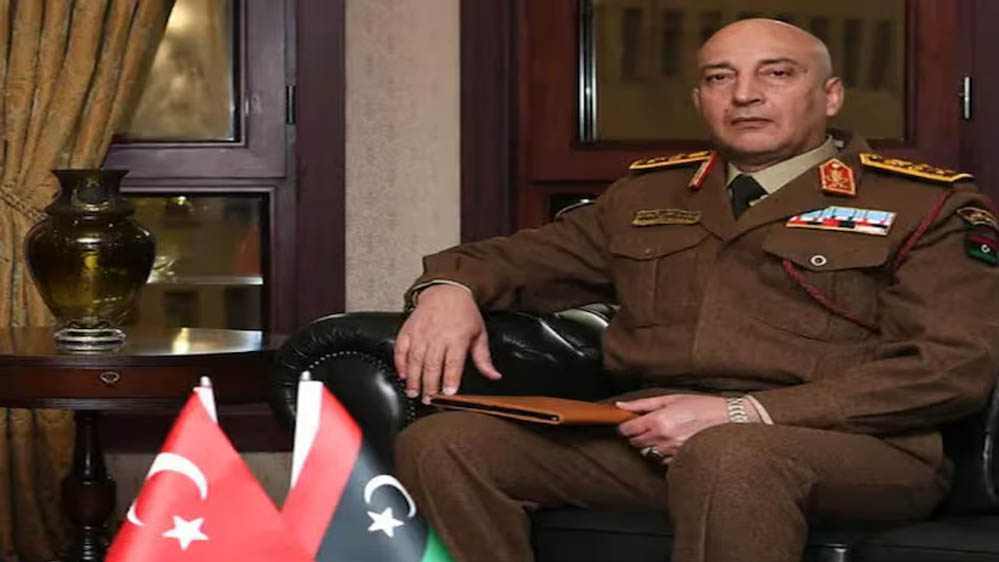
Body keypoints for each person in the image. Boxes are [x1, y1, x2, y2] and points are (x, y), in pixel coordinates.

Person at [391, 18, 999, 562]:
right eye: (719, 77)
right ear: (699, 99)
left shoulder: (923, 203)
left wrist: (747, 413)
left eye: (777, 73)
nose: (745, 94)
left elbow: (953, 366)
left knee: (730, 454)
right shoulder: (647, 196)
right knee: (446, 444)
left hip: (855, 446)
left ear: (831, 95)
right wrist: (447, 288)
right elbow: (511, 260)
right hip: (654, 439)